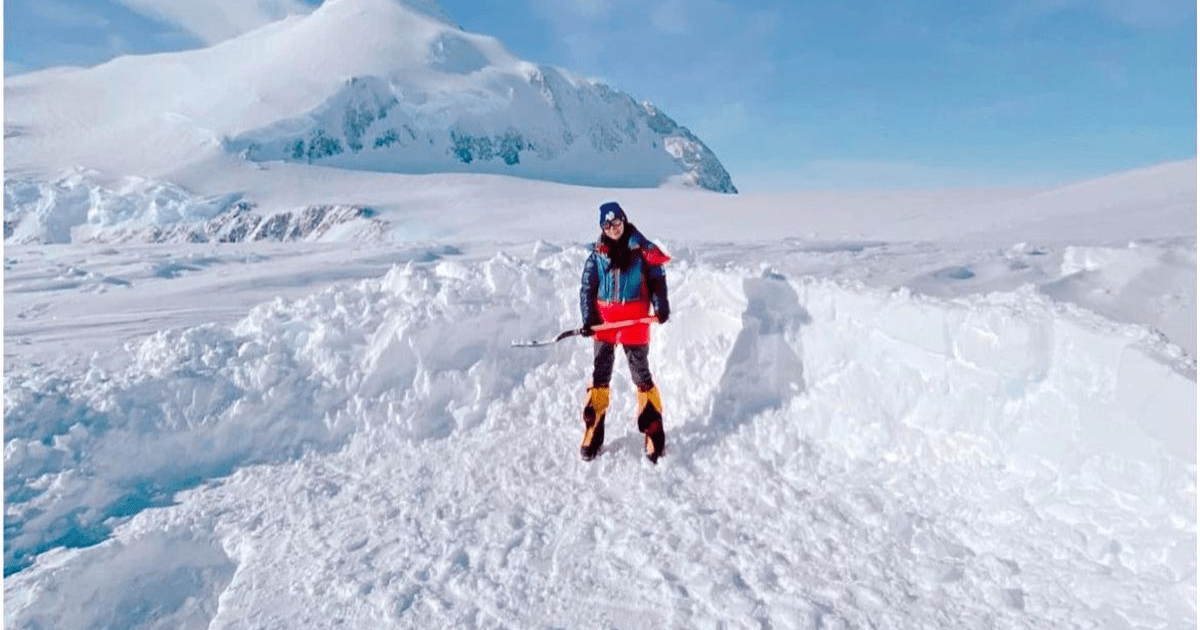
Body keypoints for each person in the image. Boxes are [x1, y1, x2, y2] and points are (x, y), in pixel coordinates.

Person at [578, 201, 671, 463]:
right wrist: (588, 318)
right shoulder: (597, 254)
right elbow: (587, 287)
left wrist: (661, 306)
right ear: (602, 228)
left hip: (635, 320)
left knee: (640, 373)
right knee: (600, 374)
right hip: (604, 323)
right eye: (607, 226)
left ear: (624, 221)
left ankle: (653, 429)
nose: (613, 229)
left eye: (617, 223)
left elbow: (657, 279)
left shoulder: (642, 250)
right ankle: (594, 427)